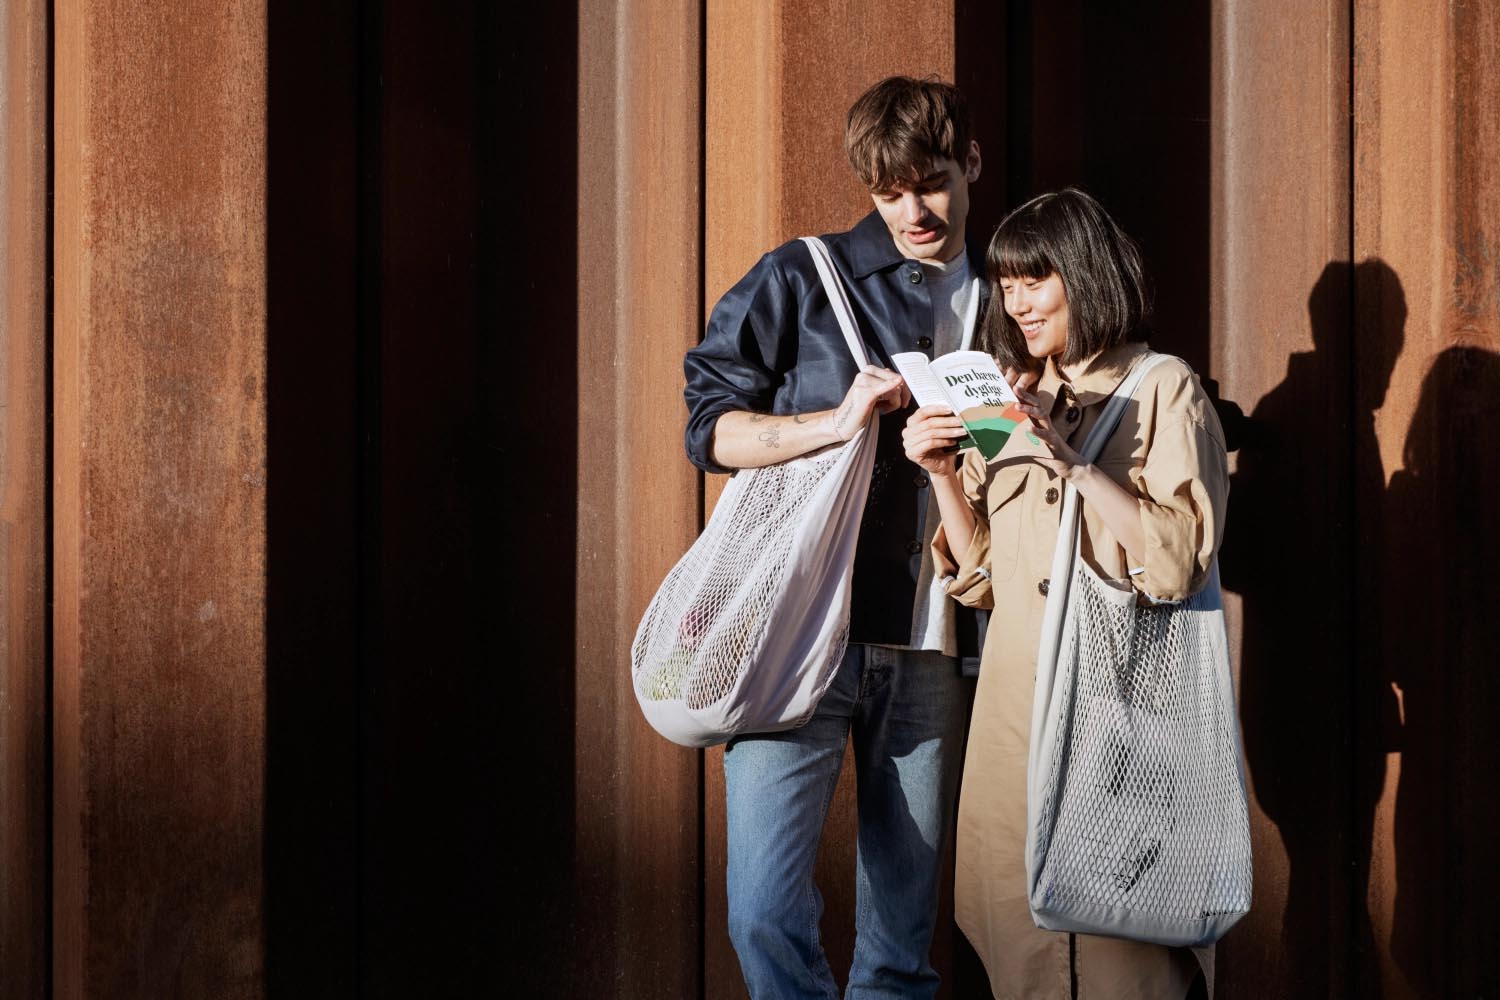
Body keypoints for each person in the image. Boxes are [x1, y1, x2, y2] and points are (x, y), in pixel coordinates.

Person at [683, 76, 986, 998]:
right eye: (888, 190)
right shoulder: (803, 277)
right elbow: (710, 429)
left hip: (935, 642)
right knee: (762, 911)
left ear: (970, 164)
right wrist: (834, 421)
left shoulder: (1014, 292)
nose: (911, 209)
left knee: (901, 941)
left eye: (930, 181)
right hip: (801, 632)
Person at [902, 187, 1228, 998]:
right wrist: (944, 473)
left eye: (1034, 281)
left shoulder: (1164, 388)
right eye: (1007, 287)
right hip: (1014, 731)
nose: (1017, 304)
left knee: (1124, 957)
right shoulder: (1009, 398)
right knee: (1022, 953)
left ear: (1084, 275)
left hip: (1121, 725)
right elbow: (980, 578)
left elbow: (1179, 559)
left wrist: (1077, 466)